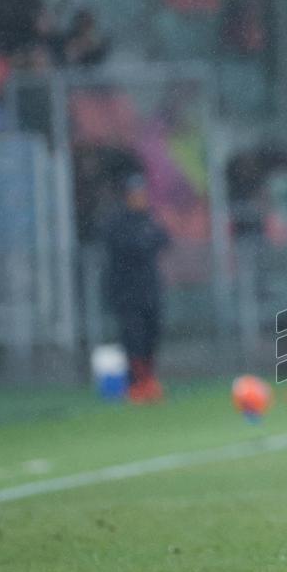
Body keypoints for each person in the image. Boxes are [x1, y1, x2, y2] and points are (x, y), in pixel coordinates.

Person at [103, 171, 169, 404]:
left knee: (152, 334)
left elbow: (163, 238)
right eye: (135, 193)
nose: (140, 198)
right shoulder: (117, 221)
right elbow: (132, 246)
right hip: (126, 292)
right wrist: (145, 240)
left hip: (149, 290)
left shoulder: (148, 218)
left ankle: (149, 380)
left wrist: (147, 239)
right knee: (133, 338)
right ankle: (136, 383)